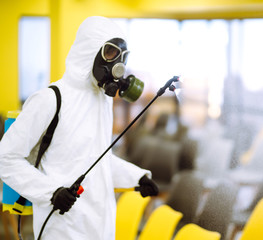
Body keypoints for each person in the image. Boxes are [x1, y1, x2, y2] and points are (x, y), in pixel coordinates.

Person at [0, 16, 158, 239]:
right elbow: (6, 157)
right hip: (61, 227)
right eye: (111, 53)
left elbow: (95, 160)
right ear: (89, 50)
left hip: (101, 226)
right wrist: (51, 193)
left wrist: (137, 177)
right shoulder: (50, 99)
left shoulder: (102, 101)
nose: (118, 65)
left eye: (123, 57)